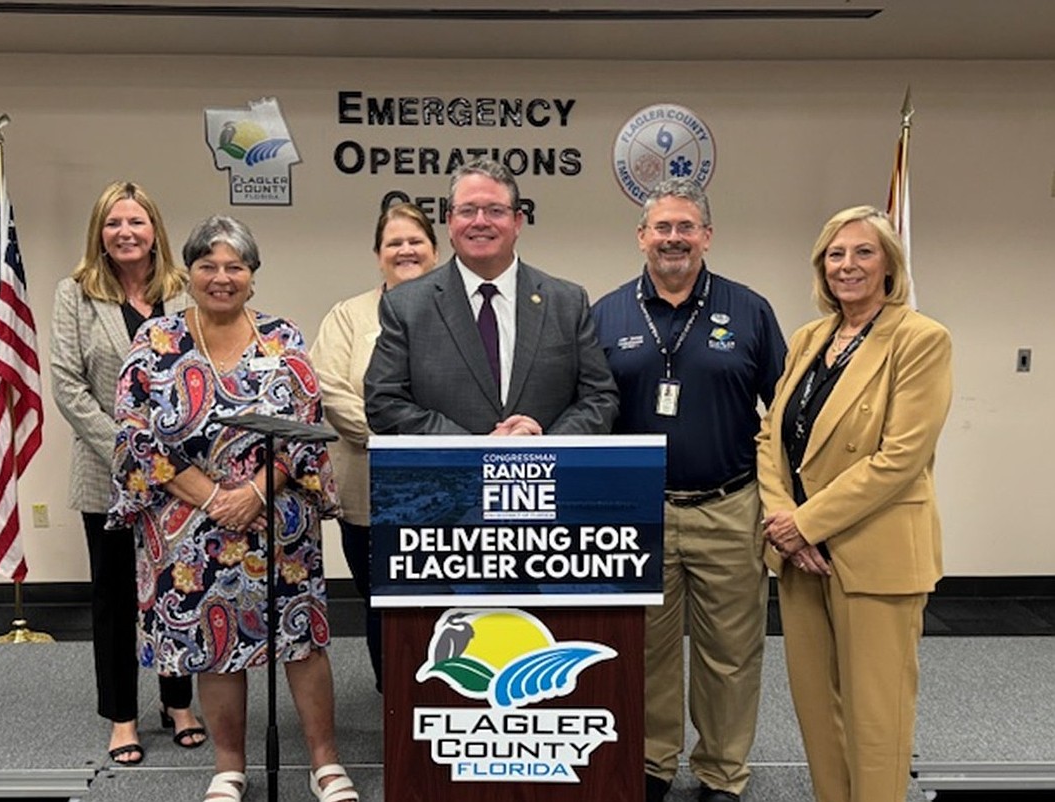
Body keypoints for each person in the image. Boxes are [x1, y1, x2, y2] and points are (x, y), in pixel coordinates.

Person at [108, 216, 358, 802]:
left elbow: (304, 429)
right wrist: (214, 497)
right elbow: (135, 436)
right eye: (208, 266)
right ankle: (229, 766)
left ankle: (325, 762)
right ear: (188, 273)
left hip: (276, 521)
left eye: (235, 267)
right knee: (212, 643)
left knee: (301, 640)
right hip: (187, 526)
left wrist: (254, 494)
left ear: (252, 275)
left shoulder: (283, 338)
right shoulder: (156, 342)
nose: (222, 278)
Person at [591, 178, 786, 802]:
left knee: (730, 654)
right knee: (645, 651)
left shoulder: (749, 310)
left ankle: (721, 773)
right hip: (639, 513)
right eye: (662, 227)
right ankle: (650, 765)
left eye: (685, 227)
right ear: (642, 236)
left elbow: (783, 414)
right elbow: (590, 406)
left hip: (729, 506)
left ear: (706, 235)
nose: (673, 238)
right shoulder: (608, 313)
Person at [756, 206, 951, 802]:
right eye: (836, 254)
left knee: (876, 722)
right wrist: (785, 522)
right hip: (799, 557)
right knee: (818, 714)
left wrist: (803, 524)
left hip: (874, 554)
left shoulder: (920, 340)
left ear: (890, 263)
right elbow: (771, 437)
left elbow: (900, 458)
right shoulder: (810, 338)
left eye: (864, 252)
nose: (848, 265)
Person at [50, 180, 205, 765]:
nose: (125, 233)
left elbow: (202, 371)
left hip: (182, 478)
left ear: (154, 231)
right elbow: (67, 383)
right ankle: (122, 715)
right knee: (115, 596)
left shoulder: (184, 290)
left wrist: (171, 458)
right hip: (106, 471)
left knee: (177, 589)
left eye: (136, 222)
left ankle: (178, 702)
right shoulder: (76, 294)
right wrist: (130, 449)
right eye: (114, 223)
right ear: (100, 233)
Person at [364, 157, 618, 436]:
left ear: (517, 221)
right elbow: (383, 402)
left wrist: (544, 446)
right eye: (467, 211)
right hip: (447, 476)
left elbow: (599, 399)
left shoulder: (567, 303)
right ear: (449, 222)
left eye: (495, 210)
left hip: (547, 475)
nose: (480, 222)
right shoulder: (406, 306)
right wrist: (474, 448)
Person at [309, 202, 439, 692]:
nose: (405, 250)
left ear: (435, 249)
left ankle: (442, 696)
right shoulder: (349, 315)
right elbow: (330, 390)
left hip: (448, 488)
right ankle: (394, 700)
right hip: (370, 488)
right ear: (378, 254)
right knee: (380, 599)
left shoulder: (462, 309)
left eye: (415, 241)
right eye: (394, 243)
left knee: (444, 597)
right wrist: (411, 441)